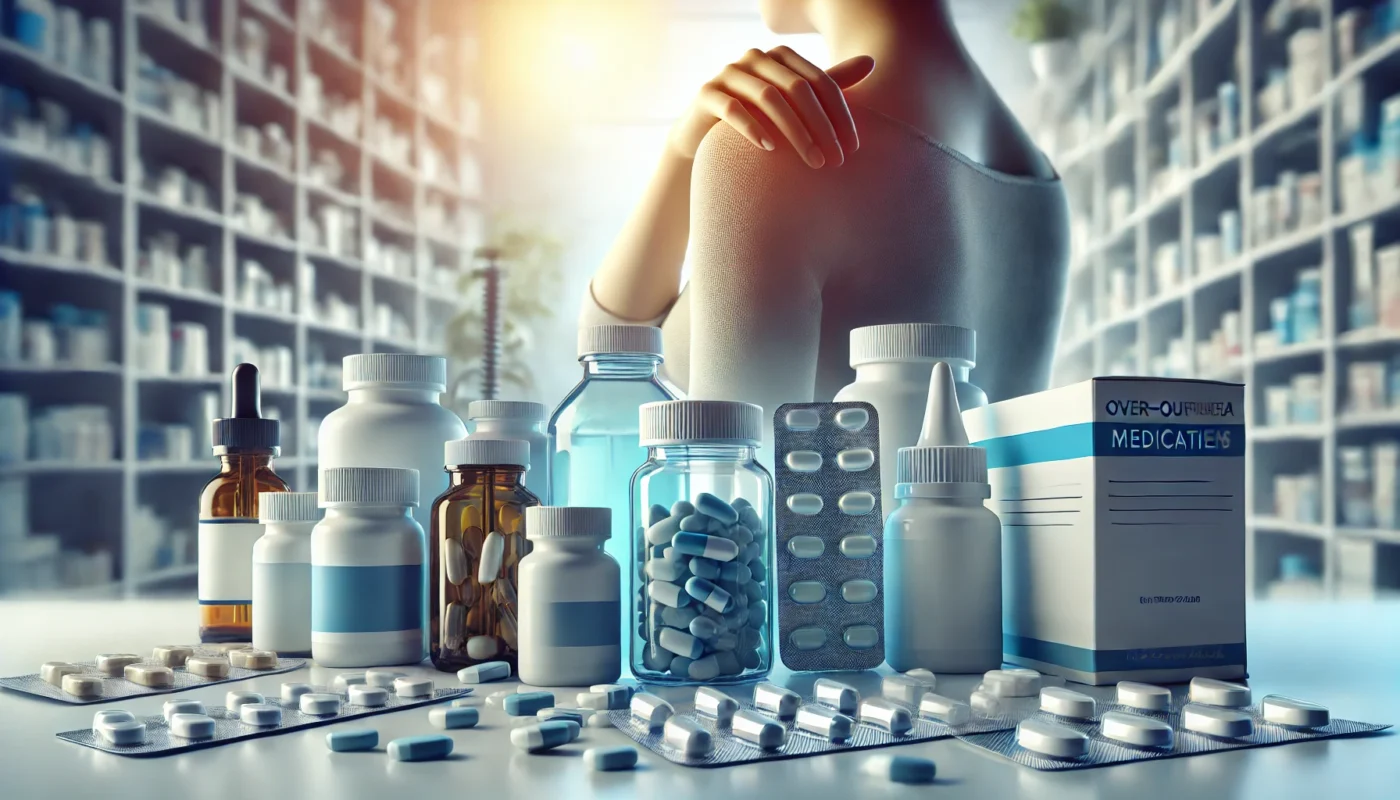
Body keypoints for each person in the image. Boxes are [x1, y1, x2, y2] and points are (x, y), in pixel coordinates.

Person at [580, 0, 1069, 419]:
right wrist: (682, 154)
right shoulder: (1042, 185)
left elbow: (735, 498)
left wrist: (700, 154)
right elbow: (616, 358)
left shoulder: (775, 151)